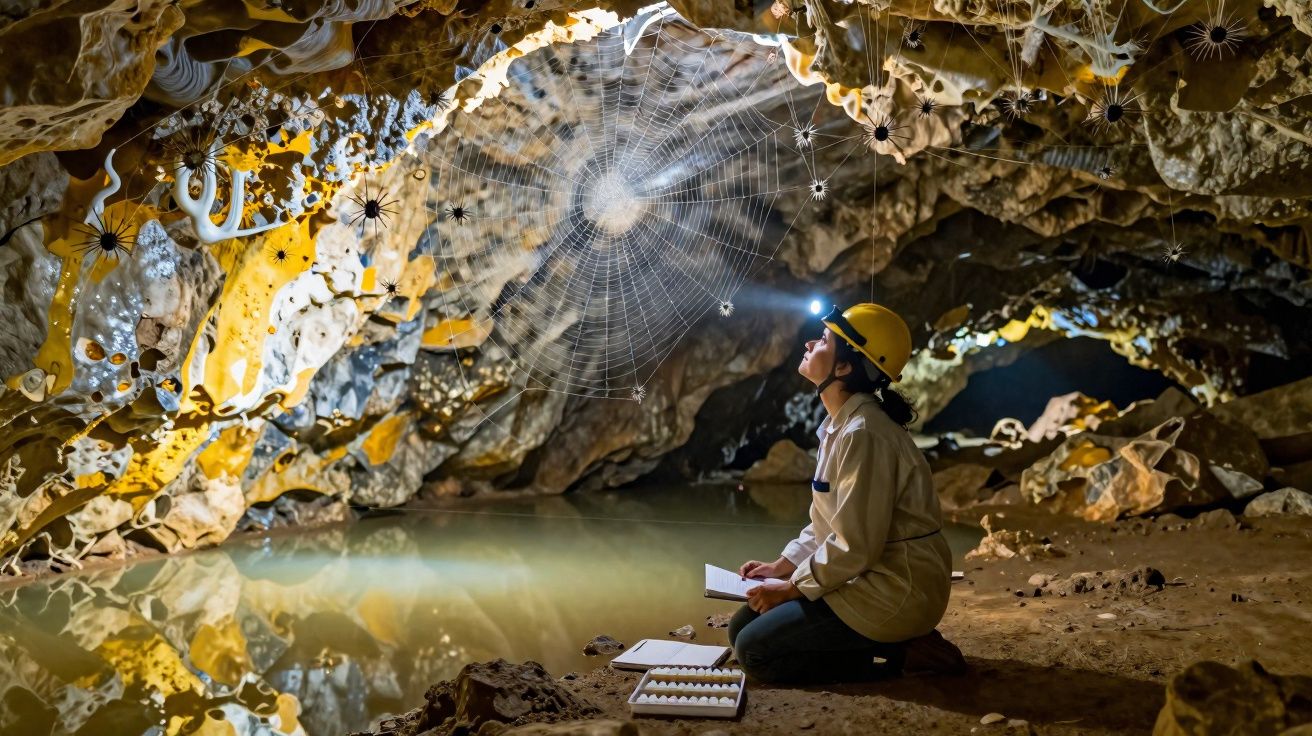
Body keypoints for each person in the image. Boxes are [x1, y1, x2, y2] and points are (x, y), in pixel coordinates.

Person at [728, 302, 965, 684]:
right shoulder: (842, 426)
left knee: (755, 652)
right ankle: (883, 645)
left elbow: (855, 545)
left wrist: (792, 589)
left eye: (823, 340)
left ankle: (899, 654)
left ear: (844, 367)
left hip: (895, 590)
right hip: (871, 576)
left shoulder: (863, 434)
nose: (808, 343)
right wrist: (780, 566)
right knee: (741, 627)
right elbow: (828, 525)